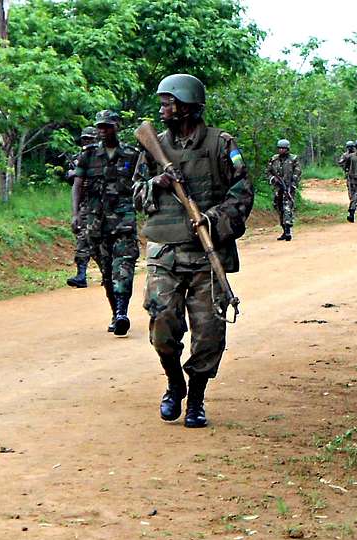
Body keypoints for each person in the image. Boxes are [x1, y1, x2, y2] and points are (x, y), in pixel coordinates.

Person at [133, 73, 253, 428]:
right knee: (163, 330)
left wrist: (211, 220)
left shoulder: (221, 144)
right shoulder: (152, 145)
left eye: (167, 103)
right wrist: (158, 182)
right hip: (165, 253)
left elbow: (242, 194)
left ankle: (196, 398)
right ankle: (174, 383)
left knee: (209, 334)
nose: (162, 109)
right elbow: (136, 194)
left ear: (186, 105)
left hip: (206, 255)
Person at [70, 110, 139, 336]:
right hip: (96, 223)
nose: (103, 131)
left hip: (123, 222)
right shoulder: (89, 156)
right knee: (108, 273)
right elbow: (77, 185)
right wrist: (75, 215)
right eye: (100, 127)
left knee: (124, 266)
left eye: (107, 126)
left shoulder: (131, 154)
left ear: (117, 126)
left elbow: (142, 182)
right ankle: (114, 312)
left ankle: (122, 312)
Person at [66, 126, 99, 289]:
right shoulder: (80, 157)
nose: (87, 142)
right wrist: (75, 212)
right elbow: (75, 184)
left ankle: (107, 274)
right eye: (85, 139)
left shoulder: (103, 156)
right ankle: (81, 274)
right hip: (85, 204)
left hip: (104, 204)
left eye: (90, 139)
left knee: (102, 242)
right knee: (82, 238)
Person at [267, 139, 301, 241]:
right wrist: (273, 179)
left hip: (289, 187)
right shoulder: (274, 159)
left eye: (283, 148)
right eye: (279, 148)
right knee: (278, 207)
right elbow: (268, 172)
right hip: (277, 188)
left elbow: (297, 172)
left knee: (287, 207)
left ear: (287, 149)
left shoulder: (293, 159)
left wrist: (293, 184)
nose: (281, 150)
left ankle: (287, 230)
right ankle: (283, 229)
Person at [338, 141, 355, 206]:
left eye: (351, 147)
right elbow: (341, 162)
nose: (350, 148)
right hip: (350, 173)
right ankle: (352, 200)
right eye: (349, 147)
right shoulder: (345, 155)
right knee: (350, 187)